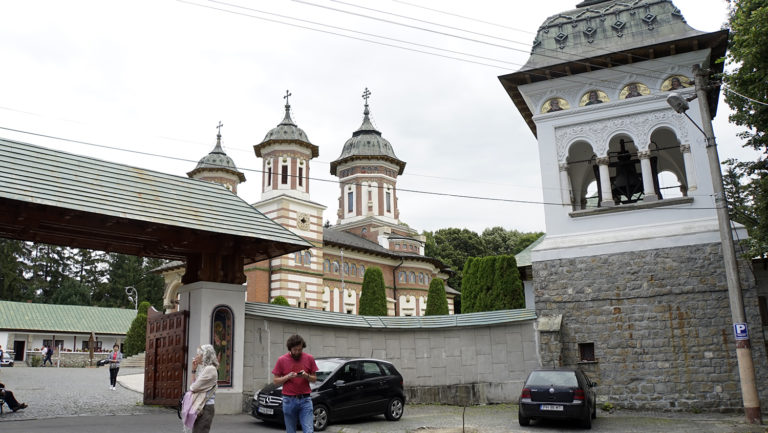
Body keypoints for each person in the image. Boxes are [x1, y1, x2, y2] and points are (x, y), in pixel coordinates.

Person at [272, 334, 318, 433]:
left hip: (305, 399)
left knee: (309, 430)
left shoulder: (309, 358)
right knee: (291, 430)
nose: (297, 352)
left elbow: (314, 379)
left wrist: (306, 376)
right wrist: (288, 376)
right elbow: (275, 381)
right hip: (289, 400)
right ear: (290, 348)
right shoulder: (282, 360)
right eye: (295, 350)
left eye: (300, 349)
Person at [181, 344, 218, 433]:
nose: (196, 356)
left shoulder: (210, 369)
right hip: (201, 406)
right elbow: (193, 386)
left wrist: (193, 387)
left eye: (198, 354)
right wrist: (194, 370)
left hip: (205, 407)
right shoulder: (205, 369)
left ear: (205, 356)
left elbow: (193, 388)